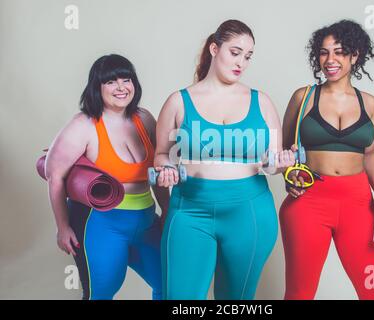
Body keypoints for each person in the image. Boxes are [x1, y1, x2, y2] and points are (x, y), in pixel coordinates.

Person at [154, 19, 295, 300]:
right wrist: (166, 167)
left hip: (250, 213)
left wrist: (282, 162)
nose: (241, 62)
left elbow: (271, 164)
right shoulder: (178, 102)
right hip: (189, 211)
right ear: (214, 48)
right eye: (235, 52)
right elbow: (161, 154)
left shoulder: (262, 102)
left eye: (248, 56)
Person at [280, 20, 374, 300]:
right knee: (300, 293)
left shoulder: (368, 103)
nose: (330, 60)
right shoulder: (304, 97)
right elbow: (283, 151)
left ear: (354, 55)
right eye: (324, 53)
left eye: (339, 52)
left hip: (358, 203)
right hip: (308, 203)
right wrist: (290, 175)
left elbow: (370, 152)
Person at [45, 54, 168, 300]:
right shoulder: (84, 125)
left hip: (145, 219)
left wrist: (167, 210)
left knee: (169, 286)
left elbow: (159, 169)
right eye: (111, 82)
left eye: (126, 79)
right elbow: (54, 175)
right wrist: (63, 227)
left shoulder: (144, 118)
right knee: (101, 293)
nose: (121, 87)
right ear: (97, 87)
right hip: (101, 225)